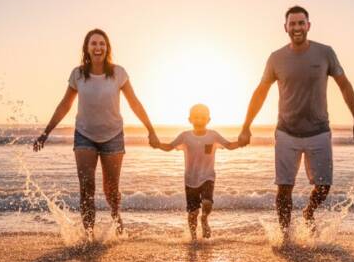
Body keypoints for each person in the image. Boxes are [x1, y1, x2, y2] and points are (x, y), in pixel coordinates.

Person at [238, 6, 354, 234]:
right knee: (284, 188)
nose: (297, 28)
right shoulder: (276, 58)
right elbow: (260, 92)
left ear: (308, 26)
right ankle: (286, 235)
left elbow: (344, 85)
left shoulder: (325, 53)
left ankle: (308, 211)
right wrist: (246, 126)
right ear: (285, 27)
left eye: (301, 23)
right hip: (286, 132)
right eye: (292, 23)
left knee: (323, 187)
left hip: (319, 131)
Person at [34, 28, 159, 238]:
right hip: (84, 136)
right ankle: (89, 236)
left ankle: (115, 215)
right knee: (86, 187)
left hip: (113, 136)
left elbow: (134, 103)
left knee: (111, 190)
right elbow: (65, 105)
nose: (98, 47)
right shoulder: (78, 74)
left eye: (102, 43)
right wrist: (46, 132)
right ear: (87, 48)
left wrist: (151, 131)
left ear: (107, 48)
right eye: (93, 43)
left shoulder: (118, 73)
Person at [157, 104, 241, 241]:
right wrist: (157, 144)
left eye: (203, 117)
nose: (199, 120)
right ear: (190, 119)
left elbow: (229, 145)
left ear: (208, 119)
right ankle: (194, 238)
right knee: (193, 213)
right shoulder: (185, 136)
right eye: (196, 117)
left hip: (208, 176)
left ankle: (205, 218)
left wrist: (241, 142)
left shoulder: (213, 135)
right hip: (190, 179)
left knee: (207, 203)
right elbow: (169, 146)